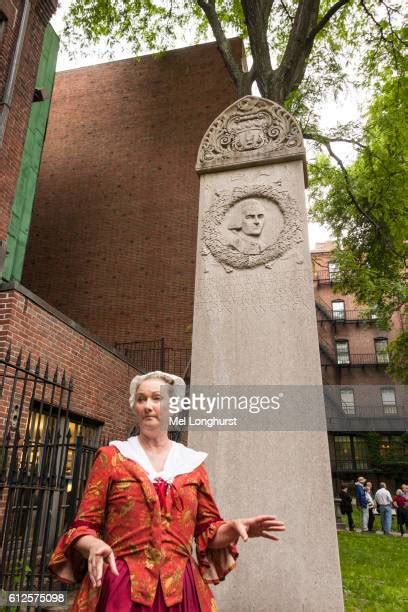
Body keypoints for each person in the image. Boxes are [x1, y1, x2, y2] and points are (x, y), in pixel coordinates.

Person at [48, 371, 286, 611]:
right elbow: (83, 526)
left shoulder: (192, 465)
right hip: (120, 587)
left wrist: (233, 529)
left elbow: (207, 531)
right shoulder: (111, 458)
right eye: (141, 399)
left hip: (181, 591)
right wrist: (93, 545)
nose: (148, 406)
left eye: (156, 398)